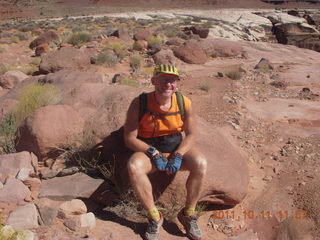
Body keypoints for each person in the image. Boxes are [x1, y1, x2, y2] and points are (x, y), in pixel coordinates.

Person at [123, 64, 207, 240]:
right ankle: (155, 216)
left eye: (172, 80)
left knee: (200, 163)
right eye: (163, 79)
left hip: (175, 147)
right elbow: (130, 138)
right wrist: (151, 151)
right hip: (149, 151)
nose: (168, 84)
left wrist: (178, 154)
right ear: (154, 81)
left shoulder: (184, 102)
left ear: (177, 83)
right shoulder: (140, 103)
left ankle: (188, 214)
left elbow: (191, 135)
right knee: (134, 166)